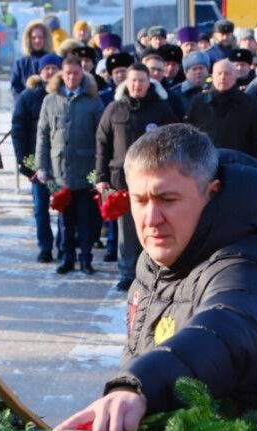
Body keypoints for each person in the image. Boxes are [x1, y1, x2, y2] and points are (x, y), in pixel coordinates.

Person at [54, 125, 257, 431]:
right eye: (140, 200)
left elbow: (230, 326)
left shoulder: (247, 261)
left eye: (167, 199)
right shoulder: (154, 259)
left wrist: (140, 385)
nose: (151, 218)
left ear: (211, 193)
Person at [96, 62, 177, 290]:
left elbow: (174, 139)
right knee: (127, 230)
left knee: (152, 225)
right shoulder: (114, 108)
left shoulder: (160, 108)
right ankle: (127, 272)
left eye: (142, 80)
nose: (137, 85)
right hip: (121, 180)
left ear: (148, 82)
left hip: (153, 179)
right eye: (133, 80)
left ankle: (152, 271)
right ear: (126, 82)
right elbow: (102, 143)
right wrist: (101, 177)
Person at [37, 56, 102, 275]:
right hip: (59, 171)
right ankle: (67, 258)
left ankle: (86, 258)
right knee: (65, 220)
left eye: (76, 73)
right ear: (61, 75)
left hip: (85, 170)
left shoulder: (93, 101)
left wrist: (98, 172)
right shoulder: (50, 100)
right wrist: (41, 166)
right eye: (67, 74)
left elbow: (100, 138)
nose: (71, 78)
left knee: (85, 219)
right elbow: (43, 135)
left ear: (82, 75)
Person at [11, 53, 62, 262]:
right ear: (40, 72)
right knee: (41, 208)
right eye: (46, 68)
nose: (49, 72)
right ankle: (45, 246)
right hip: (37, 162)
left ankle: (64, 245)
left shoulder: (63, 95)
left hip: (60, 164)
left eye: (53, 68)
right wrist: (25, 163)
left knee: (63, 206)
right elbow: (18, 130)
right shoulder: (28, 97)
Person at [185, 58, 257, 161]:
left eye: (227, 73)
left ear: (236, 76)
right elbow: (188, 135)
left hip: (238, 163)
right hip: (204, 164)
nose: (223, 77)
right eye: (219, 73)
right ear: (212, 76)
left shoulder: (249, 103)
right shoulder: (198, 102)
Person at [11, 20, 53, 97]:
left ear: (45, 39)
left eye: (40, 37)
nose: (37, 41)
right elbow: (15, 88)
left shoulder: (53, 61)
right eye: (34, 38)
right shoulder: (20, 64)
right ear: (29, 39)